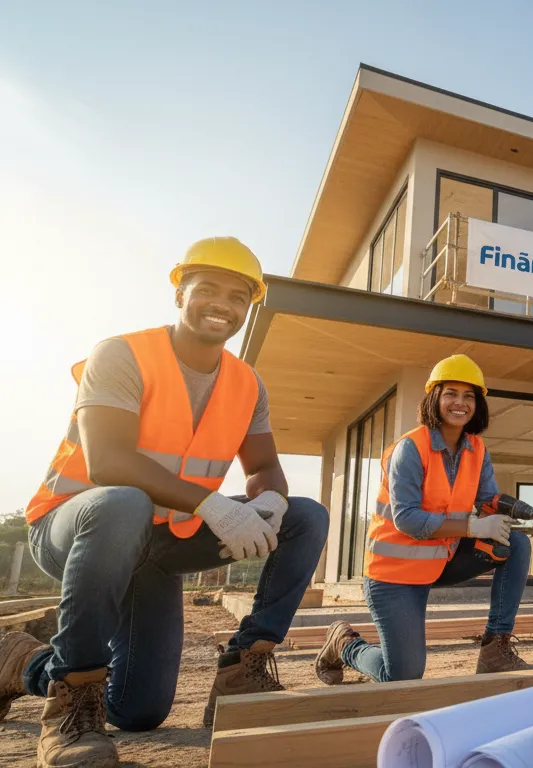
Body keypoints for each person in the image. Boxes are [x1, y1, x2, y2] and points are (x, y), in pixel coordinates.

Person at [0, 237, 329, 767]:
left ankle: (242, 671)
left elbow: (265, 468)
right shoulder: (123, 354)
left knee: (139, 711)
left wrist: (268, 502)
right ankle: (69, 704)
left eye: (238, 297)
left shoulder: (247, 385)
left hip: (160, 546)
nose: (222, 304)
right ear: (180, 294)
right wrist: (218, 507)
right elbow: (108, 462)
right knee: (123, 501)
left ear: (249, 308)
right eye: (207, 289)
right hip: (79, 527)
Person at [314, 355, 533, 684]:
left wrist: (504, 506)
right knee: (403, 675)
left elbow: (483, 498)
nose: (459, 403)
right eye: (451, 393)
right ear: (434, 398)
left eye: (469, 396)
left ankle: (495, 650)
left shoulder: (477, 449)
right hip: (394, 575)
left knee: (516, 542)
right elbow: (407, 519)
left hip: (440, 560)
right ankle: (345, 644)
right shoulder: (410, 449)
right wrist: (475, 527)